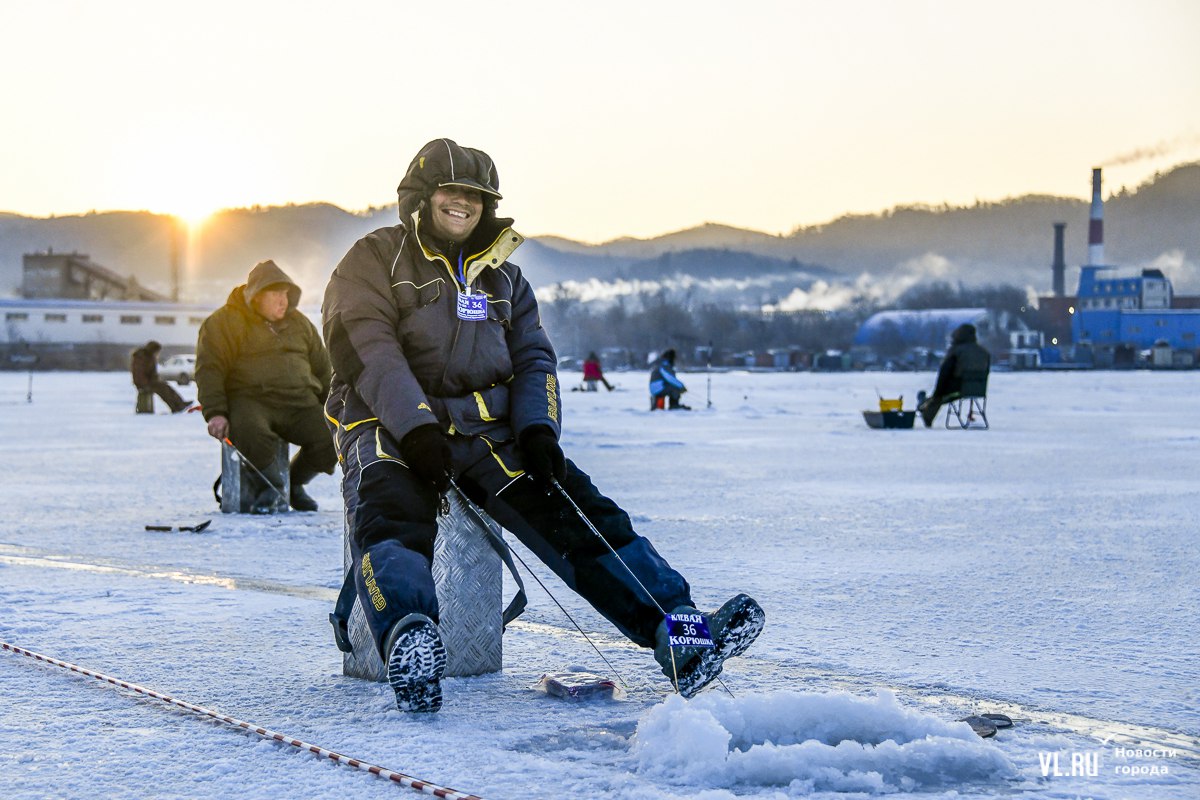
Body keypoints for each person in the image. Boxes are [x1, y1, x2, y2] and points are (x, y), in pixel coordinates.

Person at [322, 138, 763, 713]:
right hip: (385, 422)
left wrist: (538, 431)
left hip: (487, 429)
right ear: (420, 198)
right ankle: (410, 640)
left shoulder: (506, 281)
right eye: (450, 192)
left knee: (582, 515)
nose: (463, 204)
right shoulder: (373, 259)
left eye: (475, 196)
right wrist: (417, 429)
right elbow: (367, 349)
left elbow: (535, 360)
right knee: (392, 513)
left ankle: (681, 637)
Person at [195, 260, 337, 513]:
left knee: (333, 436)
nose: (283, 301)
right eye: (276, 294)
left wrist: (334, 406)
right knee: (250, 430)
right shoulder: (224, 323)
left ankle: (293, 484)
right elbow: (210, 370)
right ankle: (271, 486)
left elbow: (322, 367)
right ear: (256, 296)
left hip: (300, 402)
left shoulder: (300, 324)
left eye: (286, 294)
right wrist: (215, 412)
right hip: (251, 400)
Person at [918, 323, 992, 427]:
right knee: (941, 395)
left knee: (938, 397)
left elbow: (944, 373)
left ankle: (924, 408)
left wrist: (937, 393)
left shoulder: (956, 351)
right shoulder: (984, 352)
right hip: (978, 389)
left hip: (957, 389)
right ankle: (924, 403)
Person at [130, 340, 191, 414]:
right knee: (163, 390)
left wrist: (156, 380)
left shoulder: (149, 357)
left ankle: (179, 403)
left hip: (149, 381)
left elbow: (152, 373)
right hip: (142, 383)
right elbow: (139, 374)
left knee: (166, 387)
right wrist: (146, 384)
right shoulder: (141, 357)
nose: (158, 353)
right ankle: (175, 406)